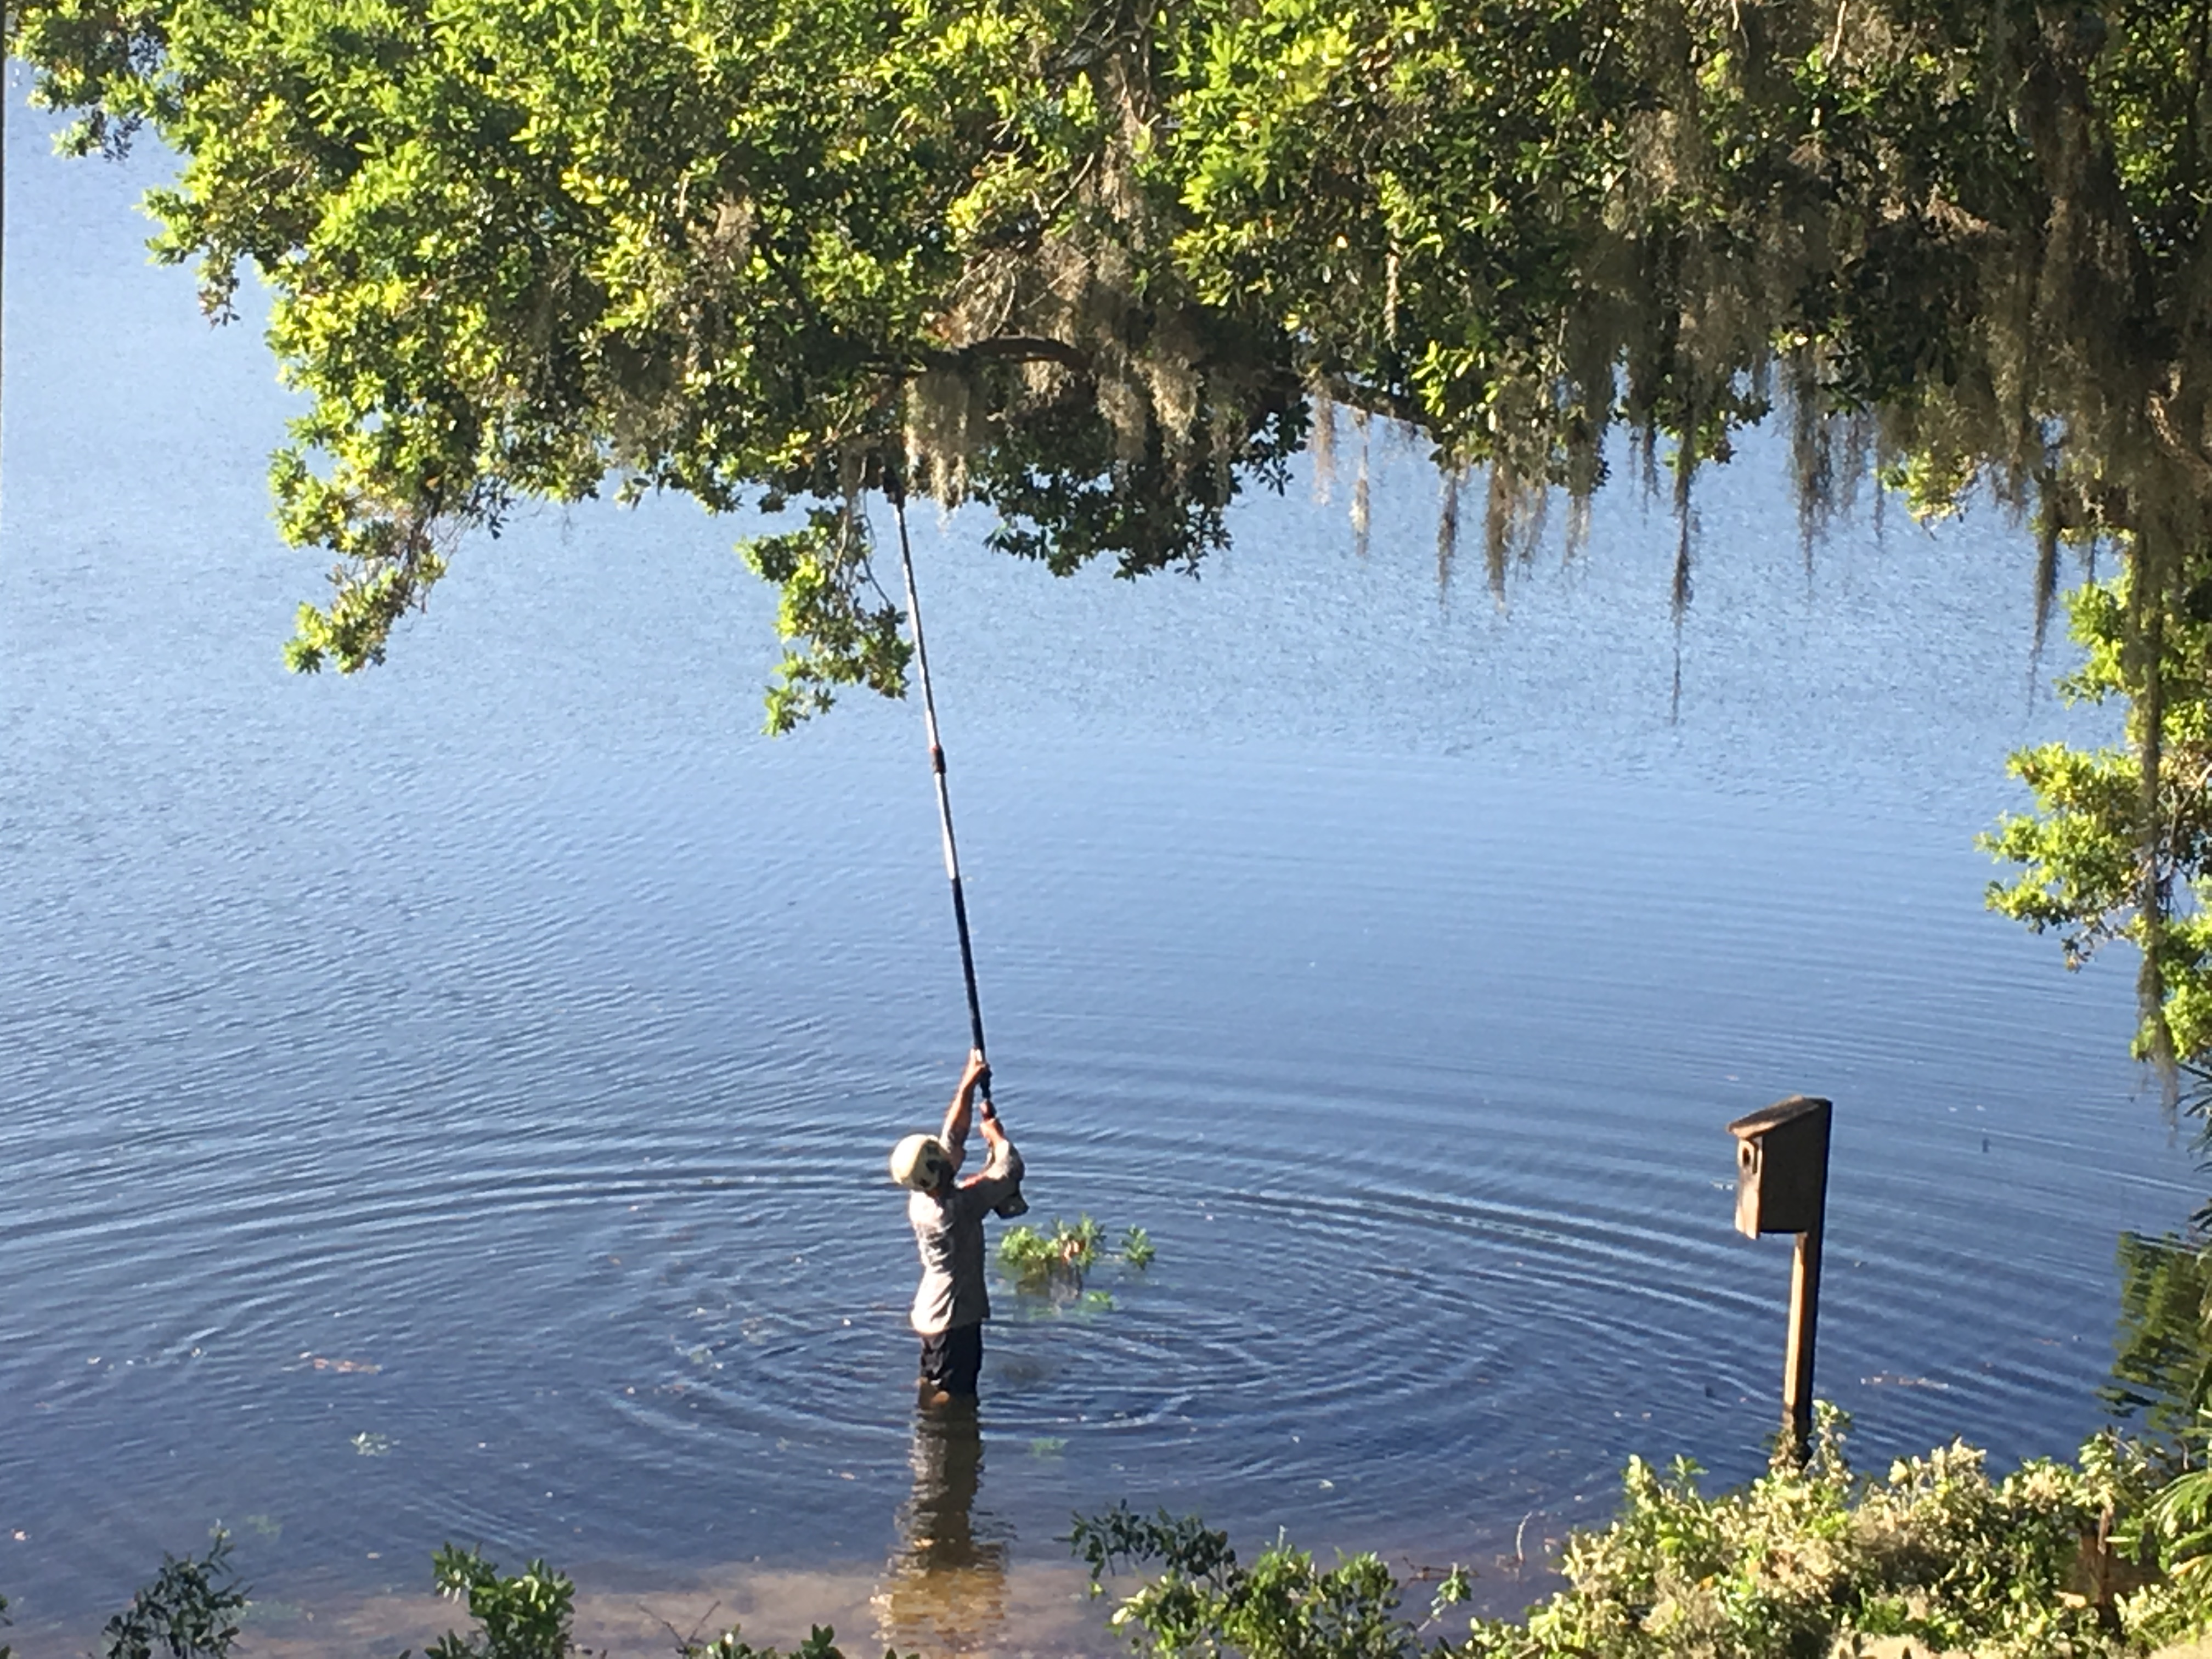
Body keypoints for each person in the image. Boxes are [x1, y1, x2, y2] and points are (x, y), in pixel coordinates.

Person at [888, 1049, 1024, 1404]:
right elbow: (1007, 1172)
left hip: (933, 1314)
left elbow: (953, 1138)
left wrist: (968, 1083)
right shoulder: (955, 1210)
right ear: (936, 1169)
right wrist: (996, 1137)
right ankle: (937, 1432)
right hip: (954, 1322)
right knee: (954, 1395)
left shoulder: (924, 1197)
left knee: (933, 1380)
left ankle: (927, 1419)